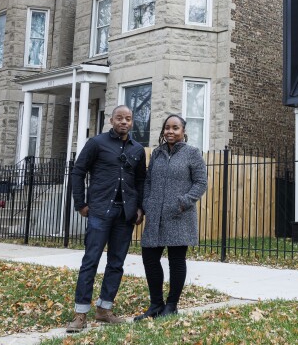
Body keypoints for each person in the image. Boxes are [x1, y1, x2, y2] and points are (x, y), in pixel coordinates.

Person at [66, 105, 147, 333]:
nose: (124, 122)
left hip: (125, 215)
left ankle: (104, 309)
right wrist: (80, 203)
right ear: (111, 120)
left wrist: (140, 207)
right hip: (100, 211)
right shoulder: (96, 143)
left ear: (132, 122)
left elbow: (141, 180)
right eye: (119, 118)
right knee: (90, 261)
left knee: (116, 263)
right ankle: (80, 314)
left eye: (128, 119)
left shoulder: (137, 149)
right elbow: (78, 171)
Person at [134, 114, 207, 320]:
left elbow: (201, 183)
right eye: (167, 128)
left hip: (179, 216)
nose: (170, 131)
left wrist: (183, 202)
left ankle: (172, 304)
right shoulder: (156, 153)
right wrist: (147, 202)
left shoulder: (192, 153)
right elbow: (147, 181)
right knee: (149, 258)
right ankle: (156, 304)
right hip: (155, 215)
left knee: (176, 260)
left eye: (175, 128)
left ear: (183, 131)